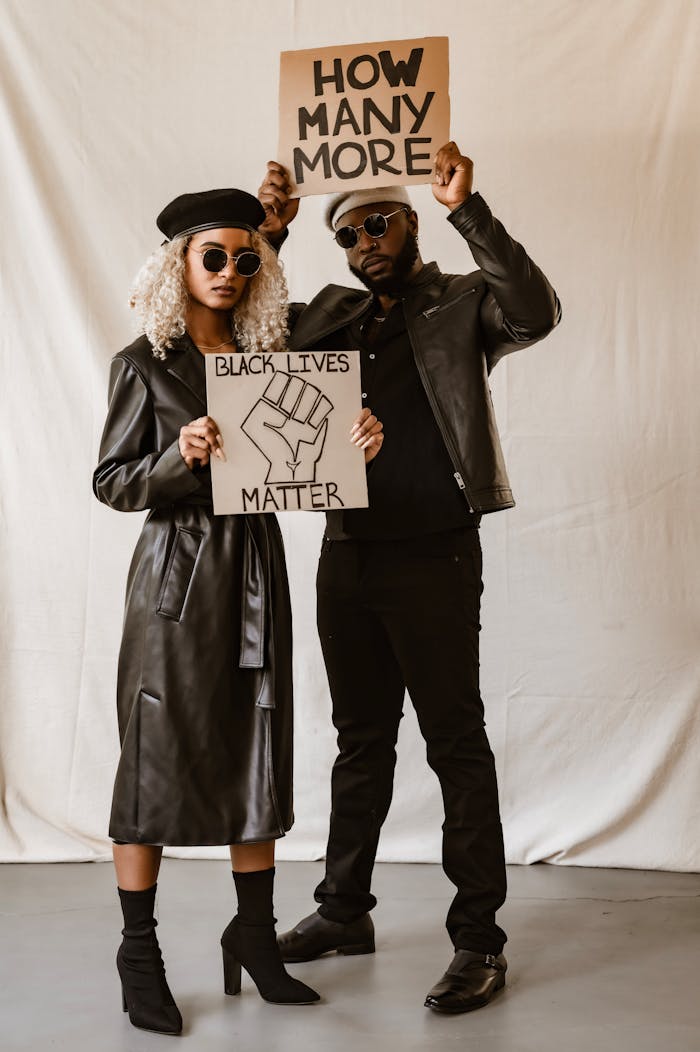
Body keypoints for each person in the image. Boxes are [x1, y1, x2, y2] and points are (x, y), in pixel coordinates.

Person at [257, 142, 561, 1014]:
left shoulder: (462, 301)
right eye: (348, 231)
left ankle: (479, 940)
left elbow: (536, 313)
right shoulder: (326, 314)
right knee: (359, 740)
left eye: (379, 221)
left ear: (411, 222)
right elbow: (247, 347)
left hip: (433, 549)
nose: (365, 240)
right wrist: (270, 238)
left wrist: (474, 210)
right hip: (344, 551)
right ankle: (343, 912)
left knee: (453, 741)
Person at [93, 187, 384, 1034]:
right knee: (154, 758)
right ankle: (138, 953)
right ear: (177, 263)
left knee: (256, 748)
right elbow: (112, 482)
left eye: (244, 258)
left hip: (255, 571)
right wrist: (178, 460)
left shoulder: (271, 358)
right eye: (211, 255)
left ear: (262, 271)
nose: (227, 272)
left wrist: (356, 434)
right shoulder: (144, 362)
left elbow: (301, 458)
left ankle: (253, 935)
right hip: (177, 585)